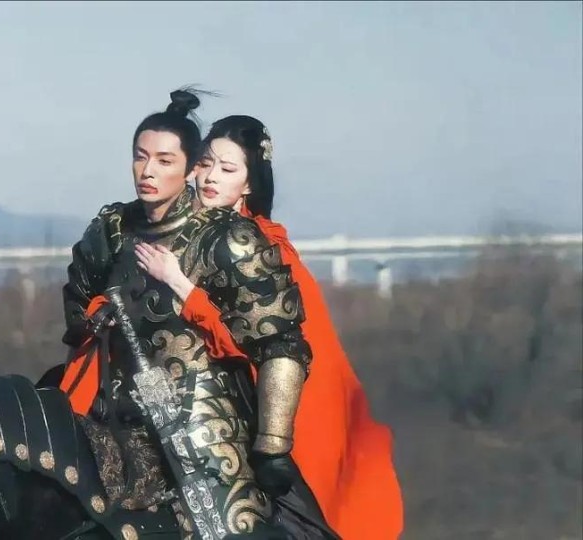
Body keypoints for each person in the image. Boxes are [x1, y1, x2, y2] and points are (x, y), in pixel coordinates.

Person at [57, 92, 336, 539]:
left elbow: (280, 344)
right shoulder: (110, 231)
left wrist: (272, 445)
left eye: (164, 160)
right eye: (140, 157)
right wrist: (94, 319)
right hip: (110, 421)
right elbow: (77, 297)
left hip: (204, 426)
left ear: (190, 168)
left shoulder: (230, 240)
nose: (148, 171)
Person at [133, 115, 404, 540]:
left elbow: (255, 343)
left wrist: (178, 283)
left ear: (248, 185)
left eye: (228, 169)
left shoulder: (259, 244)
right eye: (205, 163)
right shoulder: (176, 229)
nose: (210, 178)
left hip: (258, 399)